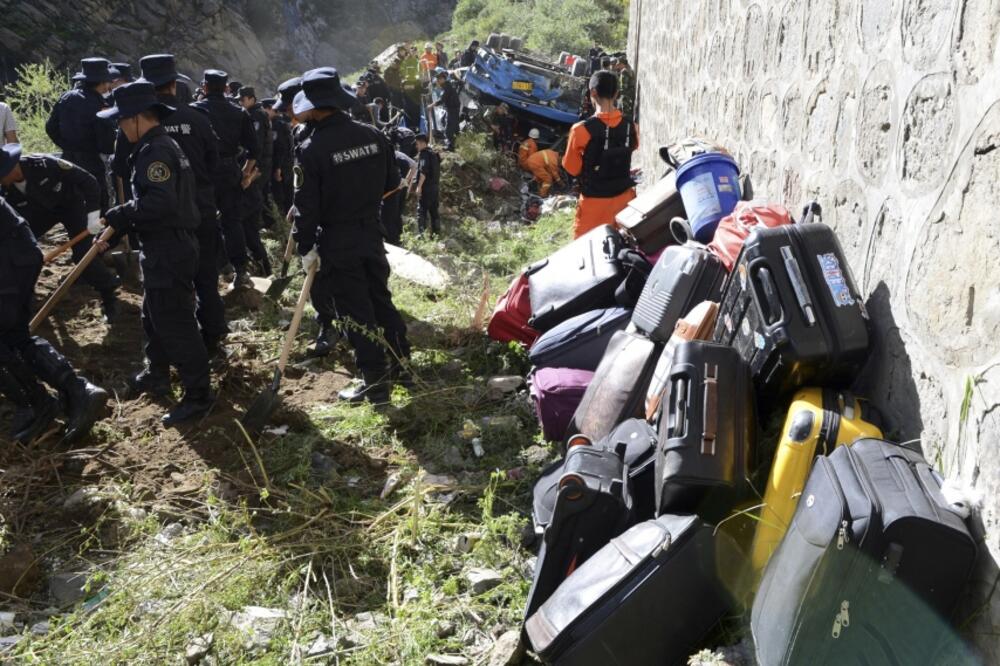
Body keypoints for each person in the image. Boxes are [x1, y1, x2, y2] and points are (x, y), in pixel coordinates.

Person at [293, 67, 411, 403]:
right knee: (380, 299)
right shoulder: (372, 135)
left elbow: (306, 206)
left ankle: (375, 383)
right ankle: (402, 365)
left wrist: (305, 246)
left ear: (314, 107)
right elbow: (392, 183)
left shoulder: (311, 149)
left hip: (337, 240)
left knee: (355, 311)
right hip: (371, 232)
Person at [99, 81, 213, 425]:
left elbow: (159, 203)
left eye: (121, 121)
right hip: (164, 246)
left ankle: (198, 395)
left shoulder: (156, 151)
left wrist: (123, 213)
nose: (120, 128)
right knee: (153, 314)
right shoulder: (159, 146)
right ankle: (157, 374)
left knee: (176, 322)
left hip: (169, 248)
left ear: (136, 118)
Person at [137, 54, 228, 360]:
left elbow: (122, 168)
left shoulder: (139, 123)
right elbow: (215, 162)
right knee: (205, 277)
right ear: (174, 84)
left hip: (160, 217)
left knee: (166, 286)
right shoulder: (198, 118)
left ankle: (168, 353)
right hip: (201, 207)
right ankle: (213, 337)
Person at [0, 192, 108, 444]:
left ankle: (36, 406)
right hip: (17, 253)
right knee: (14, 335)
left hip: (9, 258)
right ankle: (78, 391)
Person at [1, 144, 121, 322]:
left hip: (70, 206)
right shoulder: (4, 190)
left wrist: (93, 217)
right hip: (37, 214)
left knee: (83, 253)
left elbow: (88, 181)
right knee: (20, 252)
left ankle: (109, 294)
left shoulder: (45, 164)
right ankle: (24, 298)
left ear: (11, 168)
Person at [192, 69, 259, 289]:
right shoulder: (239, 112)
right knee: (232, 222)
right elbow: (254, 150)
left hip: (203, 172)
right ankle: (240, 271)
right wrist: (245, 173)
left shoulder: (196, 110)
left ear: (204, 87)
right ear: (227, 88)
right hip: (230, 170)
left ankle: (215, 269)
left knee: (205, 221)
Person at [562, 70, 639, 239]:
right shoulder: (631, 126)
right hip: (626, 201)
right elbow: (631, 148)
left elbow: (572, 167)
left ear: (593, 93)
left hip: (594, 203)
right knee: (626, 246)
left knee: (587, 248)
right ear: (617, 93)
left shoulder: (580, 130)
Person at [45, 58, 117, 211]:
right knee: (97, 206)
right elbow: (107, 145)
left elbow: (50, 127)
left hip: (66, 161)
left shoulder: (66, 97)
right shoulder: (100, 106)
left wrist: (66, 145)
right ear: (102, 82)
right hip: (92, 163)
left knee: (72, 206)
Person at [237, 86, 274, 275]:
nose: (241, 103)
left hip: (256, 171)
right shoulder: (253, 114)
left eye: (243, 99)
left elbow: (256, 146)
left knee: (248, 223)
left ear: (251, 98)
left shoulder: (256, 116)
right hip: (256, 169)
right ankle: (262, 266)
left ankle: (261, 267)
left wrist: (249, 173)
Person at [262, 97, 294, 218]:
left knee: (281, 195)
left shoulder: (277, 125)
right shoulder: (279, 122)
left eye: (264, 109)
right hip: (284, 164)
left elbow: (281, 148)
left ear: (270, 109)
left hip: (282, 165)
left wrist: (278, 168)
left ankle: (284, 219)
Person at [380, 146, 416, 245]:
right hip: (400, 186)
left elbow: (414, 165)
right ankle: (397, 236)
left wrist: (406, 181)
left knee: (391, 213)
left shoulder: (395, 158)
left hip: (396, 187)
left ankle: (392, 239)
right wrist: (406, 181)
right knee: (397, 211)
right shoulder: (399, 157)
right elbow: (414, 165)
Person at [411, 133, 440, 236]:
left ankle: (421, 236)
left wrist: (419, 187)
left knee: (421, 211)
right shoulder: (434, 154)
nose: (416, 146)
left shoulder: (424, 154)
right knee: (434, 211)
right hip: (435, 188)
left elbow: (423, 172)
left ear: (422, 143)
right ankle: (437, 234)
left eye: (417, 144)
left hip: (426, 188)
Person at [430, 71, 460, 151]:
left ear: (443, 79)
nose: (438, 81)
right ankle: (458, 145)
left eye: (439, 79)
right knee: (456, 129)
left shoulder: (447, 87)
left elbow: (442, 99)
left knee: (448, 131)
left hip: (452, 110)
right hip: (454, 109)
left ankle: (451, 146)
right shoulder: (448, 86)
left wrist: (432, 105)